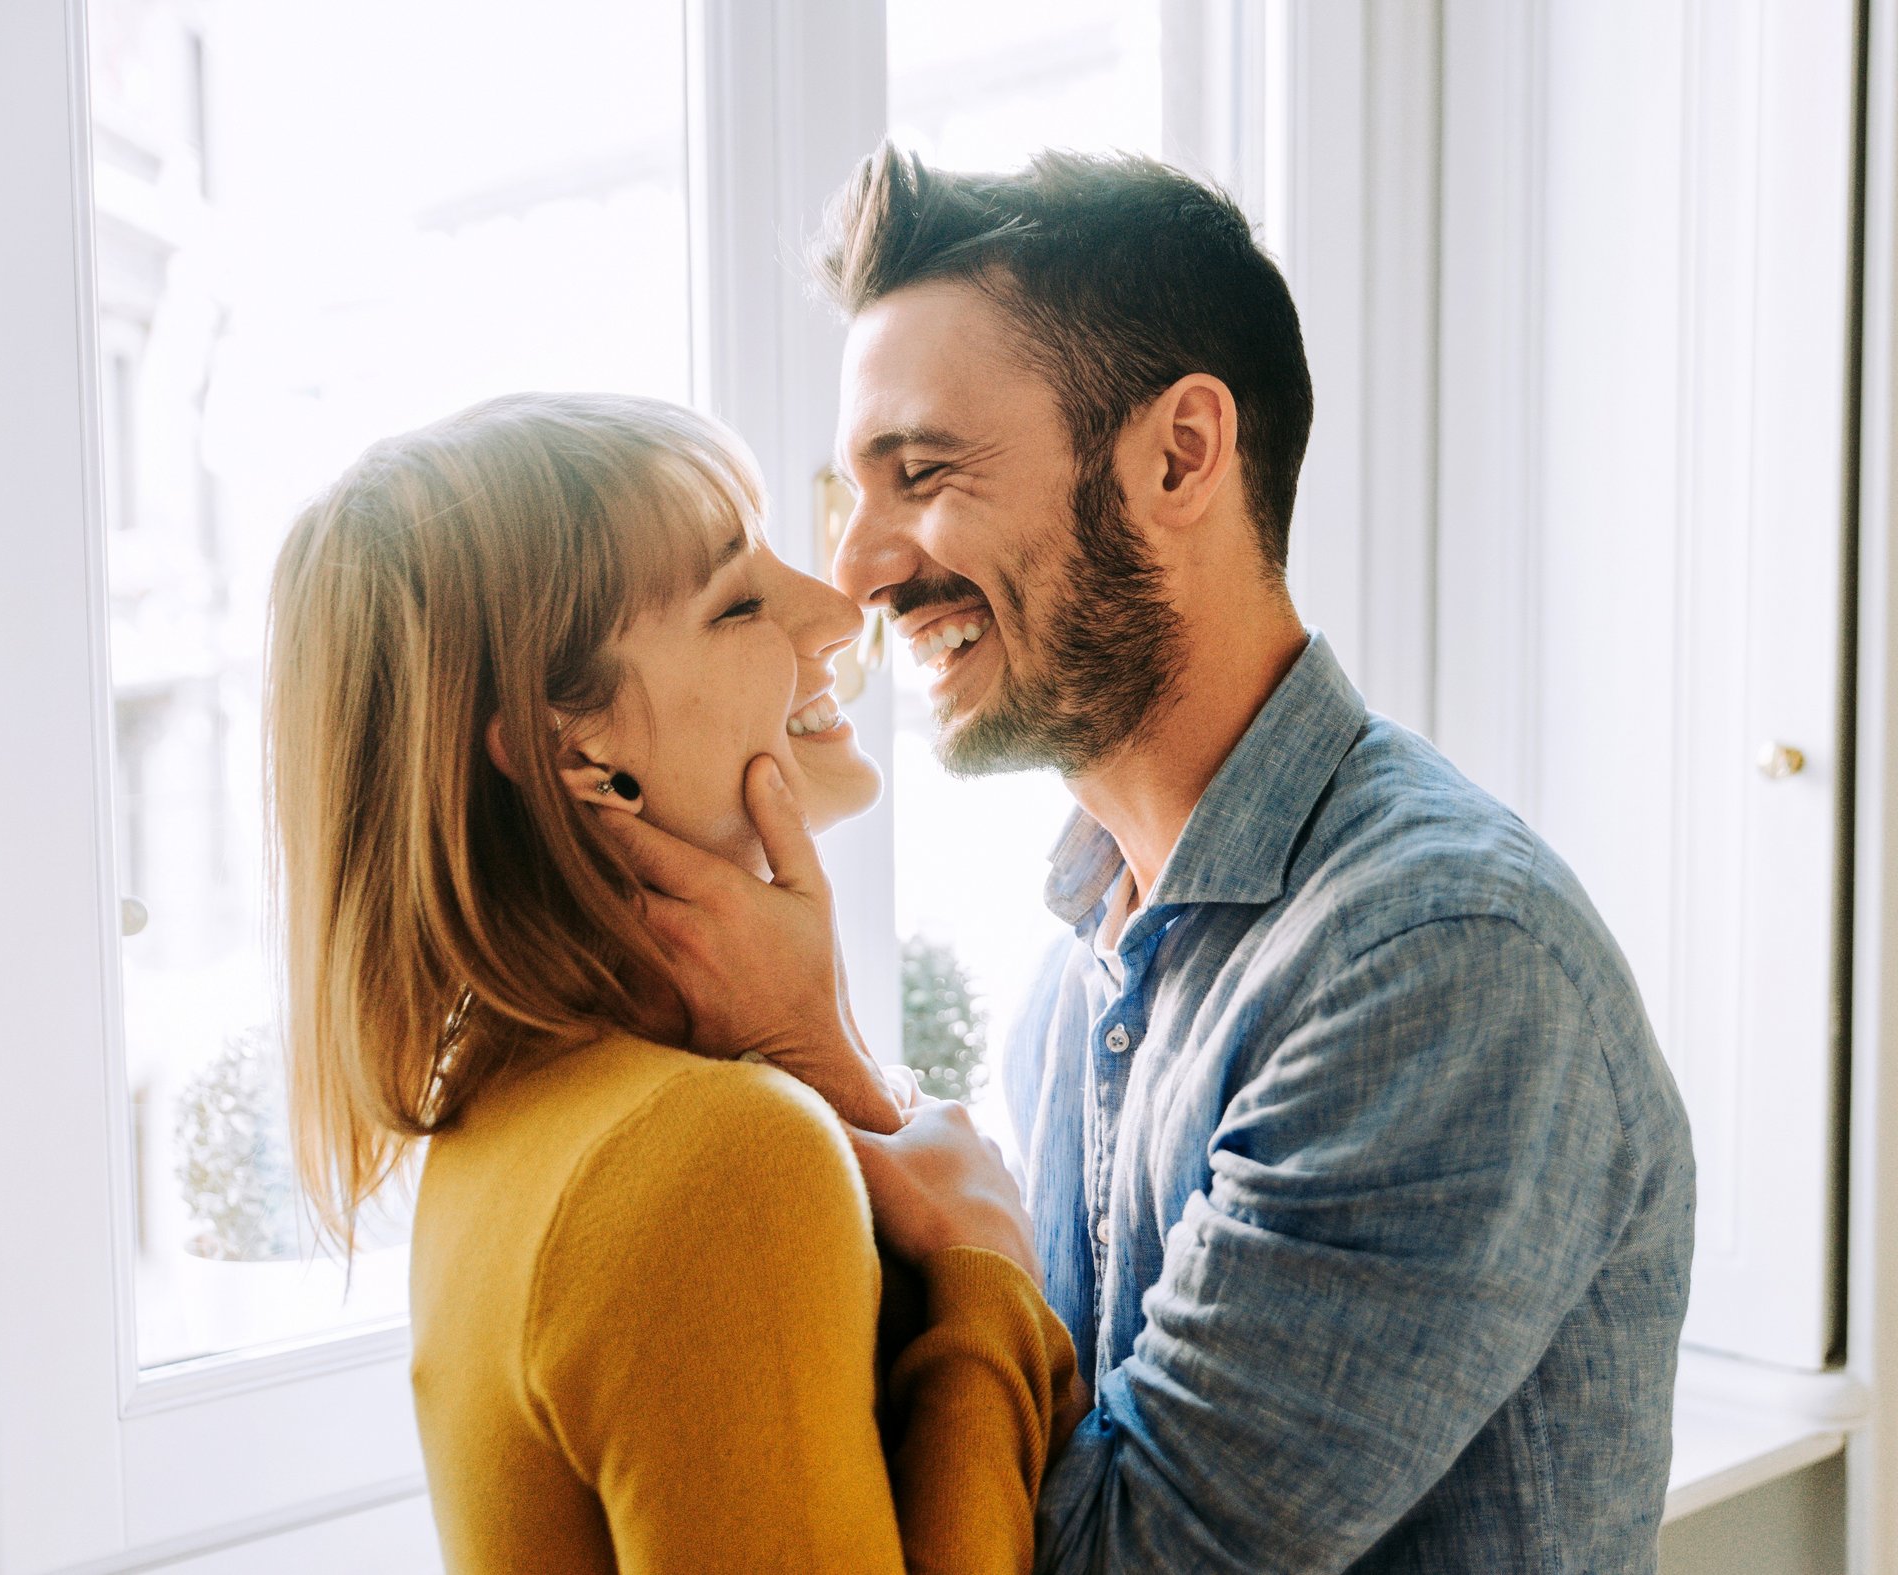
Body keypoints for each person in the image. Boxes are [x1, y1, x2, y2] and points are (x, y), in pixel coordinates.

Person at [632, 146, 1697, 1572]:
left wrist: (811, 1046)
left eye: (924, 474)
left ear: (1181, 454)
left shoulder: (1440, 960)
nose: (860, 569)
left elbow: (1115, 1556)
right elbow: (1040, 1453)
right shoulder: (1075, 977)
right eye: (853, 492)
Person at [265, 391, 1081, 1574]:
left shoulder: (513, 1115)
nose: (836, 610)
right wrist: (991, 1286)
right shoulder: (713, 1157)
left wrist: (828, 1058)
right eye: (739, 600)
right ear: (569, 751)